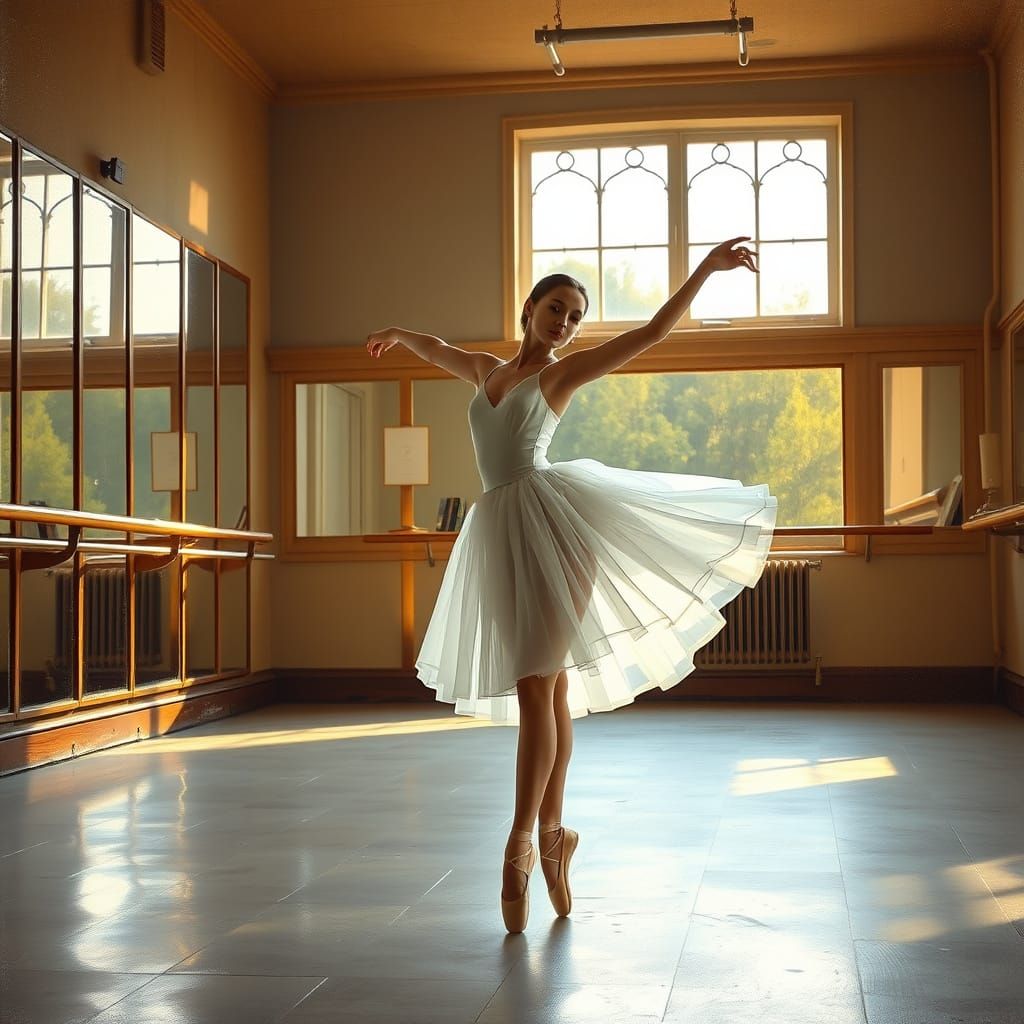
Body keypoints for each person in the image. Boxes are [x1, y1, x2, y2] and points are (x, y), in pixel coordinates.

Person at [366, 237, 777, 933]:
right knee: (548, 687)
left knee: (537, 684)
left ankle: (522, 839)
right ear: (530, 309)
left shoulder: (560, 376)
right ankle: (556, 836)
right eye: (557, 308)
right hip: (498, 530)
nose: (566, 322)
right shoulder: (485, 372)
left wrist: (705, 270)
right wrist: (400, 334)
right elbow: (439, 349)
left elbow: (649, 333)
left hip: (559, 529)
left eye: (576, 316)